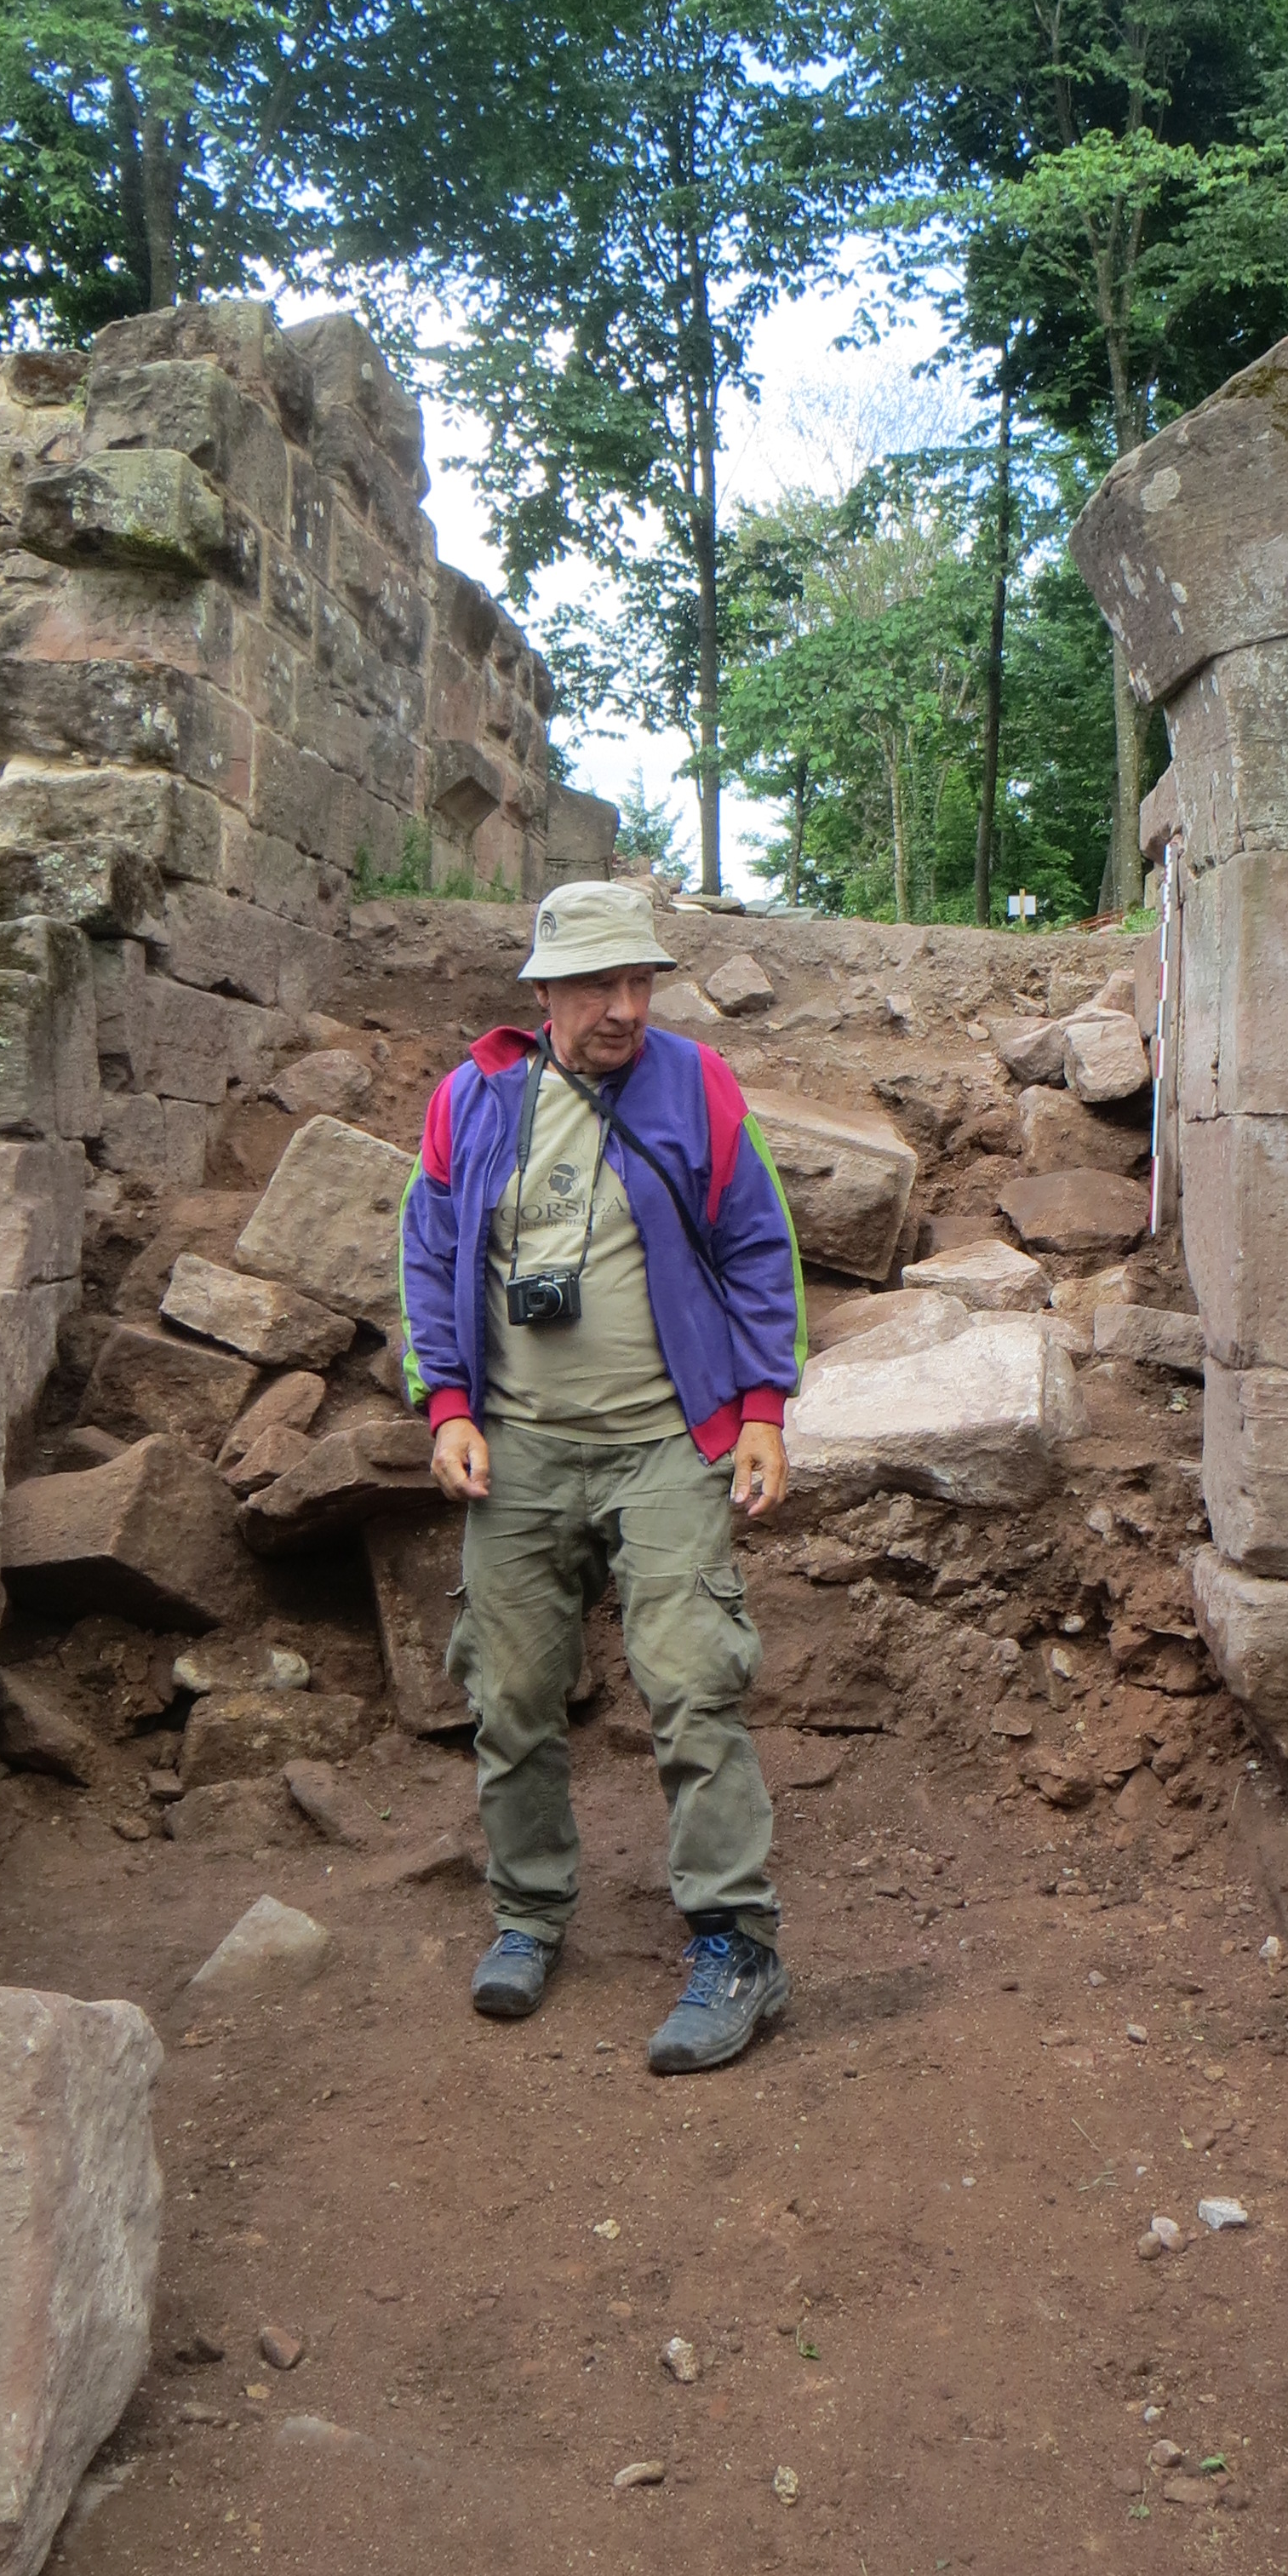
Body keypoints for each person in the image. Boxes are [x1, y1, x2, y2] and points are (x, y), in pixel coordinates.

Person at [397, 881, 805, 2068]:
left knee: (693, 1686)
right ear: (544, 991)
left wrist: (765, 1411)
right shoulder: (471, 1100)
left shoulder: (698, 1085)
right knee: (511, 1692)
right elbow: (428, 1255)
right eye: (597, 985)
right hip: (518, 1448)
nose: (626, 1007)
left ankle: (738, 1947)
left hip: (667, 1440)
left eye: (641, 982)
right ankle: (528, 1915)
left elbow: (759, 1245)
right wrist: (449, 1407)